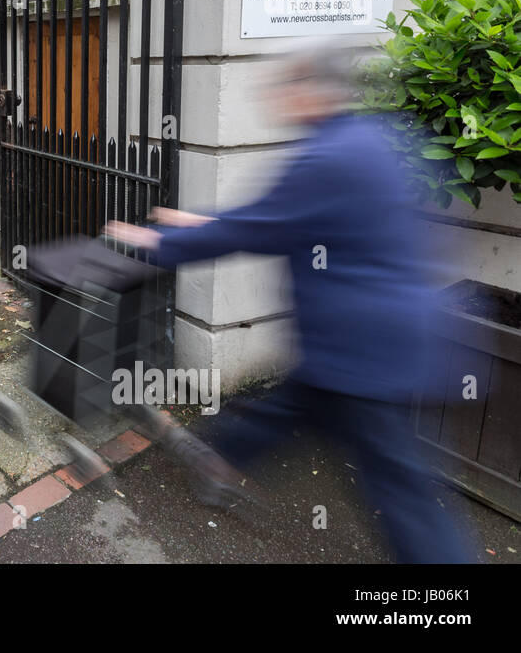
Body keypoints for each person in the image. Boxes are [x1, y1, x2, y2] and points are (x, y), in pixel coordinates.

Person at [106, 43, 470, 564]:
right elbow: (278, 217)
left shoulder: (326, 158)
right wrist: (197, 221)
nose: (279, 100)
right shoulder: (368, 139)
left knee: (399, 486)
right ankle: (223, 457)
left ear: (312, 93)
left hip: (361, 352)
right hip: (364, 338)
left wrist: (162, 243)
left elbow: (261, 226)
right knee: (294, 404)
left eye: (287, 88)